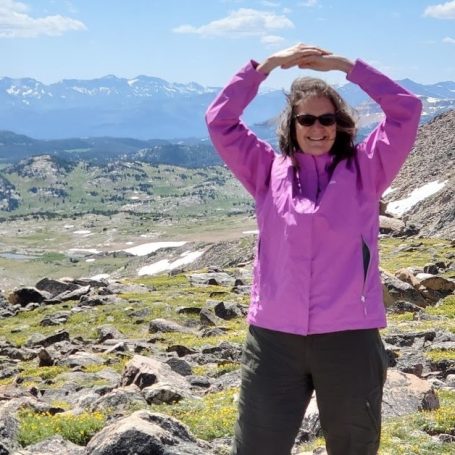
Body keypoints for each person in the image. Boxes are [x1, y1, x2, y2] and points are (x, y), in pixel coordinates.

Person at [205, 43, 422, 455]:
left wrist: (346, 67)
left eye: (327, 119)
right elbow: (221, 120)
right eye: (306, 119)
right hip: (274, 339)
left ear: (340, 124)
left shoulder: (366, 169)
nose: (317, 128)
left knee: (354, 447)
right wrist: (264, 67)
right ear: (292, 124)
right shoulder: (266, 171)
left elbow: (406, 110)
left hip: (349, 336)